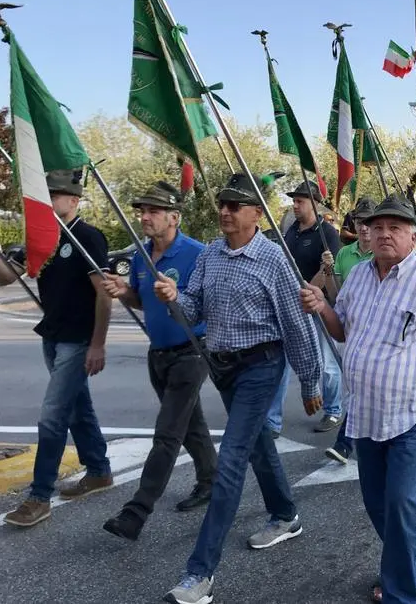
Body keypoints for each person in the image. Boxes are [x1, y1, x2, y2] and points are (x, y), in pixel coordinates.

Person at [300, 193, 416, 604]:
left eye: (395, 228)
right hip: (365, 414)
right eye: (377, 227)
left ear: (414, 236)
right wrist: (320, 307)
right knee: (377, 503)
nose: (384, 234)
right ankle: (401, 562)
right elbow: (343, 330)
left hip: (414, 415)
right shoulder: (361, 277)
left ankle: (402, 593)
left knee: (403, 500)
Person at [156, 172, 322, 604]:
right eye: (222, 206)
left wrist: (310, 380)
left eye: (236, 206)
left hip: (261, 367)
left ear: (256, 213)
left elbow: (296, 325)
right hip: (223, 366)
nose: (226, 212)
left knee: (230, 461)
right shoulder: (210, 255)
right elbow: (193, 311)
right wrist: (174, 297)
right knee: (256, 445)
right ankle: (285, 514)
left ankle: (199, 575)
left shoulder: (273, 260)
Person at [0, 170, 113, 528]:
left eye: (55, 196)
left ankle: (39, 497)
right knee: (76, 408)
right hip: (52, 336)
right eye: (46, 195)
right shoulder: (41, 237)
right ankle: (99, 470)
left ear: (74, 200)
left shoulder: (87, 236)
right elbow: (7, 276)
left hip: (77, 339)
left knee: (52, 416)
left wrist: (98, 343)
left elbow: (104, 292)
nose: (49, 202)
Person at [101, 182, 217, 541]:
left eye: (152, 211)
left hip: (191, 350)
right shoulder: (140, 256)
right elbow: (143, 301)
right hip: (159, 354)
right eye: (142, 211)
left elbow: (210, 303)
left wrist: (177, 296)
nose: (144, 217)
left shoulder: (198, 254)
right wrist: (125, 292)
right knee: (190, 425)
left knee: (167, 433)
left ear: (174, 217)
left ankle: (136, 512)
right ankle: (211, 481)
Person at [265, 180, 343, 435]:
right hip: (291, 307)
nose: (295, 205)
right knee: (282, 363)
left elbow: (327, 268)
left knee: (325, 361)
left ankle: (333, 411)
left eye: (300, 201)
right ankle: (272, 421)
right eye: (294, 201)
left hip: (317, 306)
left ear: (315, 203)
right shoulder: (291, 231)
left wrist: (307, 293)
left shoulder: (327, 233)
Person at [318, 196, 377, 465]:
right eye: (359, 222)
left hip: (380, 332)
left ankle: (344, 444)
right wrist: (328, 273)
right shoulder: (345, 254)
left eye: (368, 222)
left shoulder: (385, 251)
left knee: (361, 389)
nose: (364, 228)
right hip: (353, 330)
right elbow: (337, 297)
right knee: (360, 388)